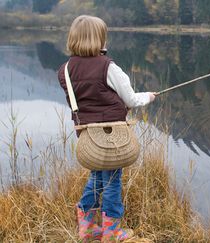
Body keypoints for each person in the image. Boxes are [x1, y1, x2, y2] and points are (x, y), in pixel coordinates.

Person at [57, 15, 156, 242]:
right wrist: (148, 97)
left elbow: (88, 97)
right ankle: (111, 233)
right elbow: (130, 100)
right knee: (112, 180)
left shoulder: (65, 69)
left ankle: (88, 228)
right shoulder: (108, 67)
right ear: (100, 38)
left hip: (87, 135)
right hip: (112, 136)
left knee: (96, 176)